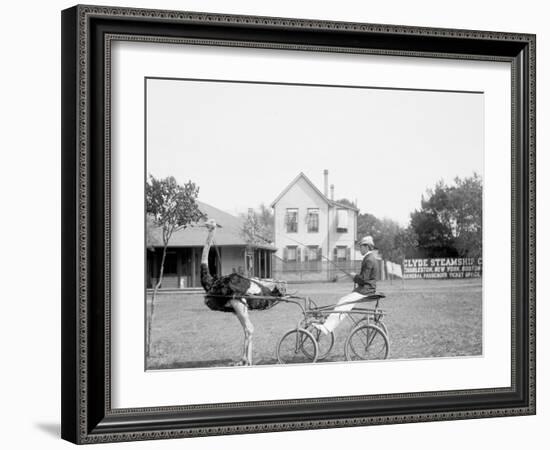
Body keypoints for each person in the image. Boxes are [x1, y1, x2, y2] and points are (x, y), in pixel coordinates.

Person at [313, 236, 378, 335]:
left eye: (361, 246)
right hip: (366, 289)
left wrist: (354, 276)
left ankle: (327, 327)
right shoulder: (370, 258)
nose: (360, 248)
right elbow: (365, 278)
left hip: (366, 290)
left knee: (343, 303)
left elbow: (363, 279)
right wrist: (355, 276)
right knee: (343, 302)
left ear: (367, 247)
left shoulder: (369, 259)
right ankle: (327, 325)